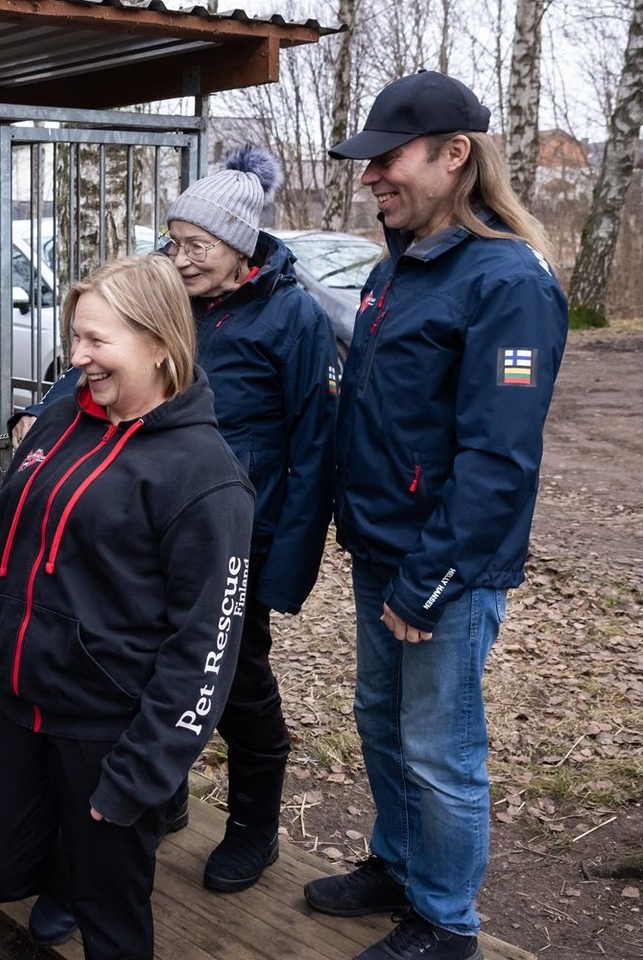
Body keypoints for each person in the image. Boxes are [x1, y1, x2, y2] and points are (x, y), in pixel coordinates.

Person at [13, 146, 337, 896]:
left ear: (241, 246)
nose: (181, 258)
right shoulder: (169, 294)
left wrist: (285, 566)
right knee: (143, 671)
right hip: (145, 529)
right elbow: (102, 362)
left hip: (236, 538)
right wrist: (47, 409)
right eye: (175, 239)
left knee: (235, 682)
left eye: (199, 245)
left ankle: (254, 826)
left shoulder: (292, 316)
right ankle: (162, 796)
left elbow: (315, 451)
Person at [302, 71, 568, 960]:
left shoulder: (505, 282)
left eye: (388, 159)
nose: (371, 176)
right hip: (385, 549)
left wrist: (431, 581)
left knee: (440, 750)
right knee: (381, 722)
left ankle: (445, 922)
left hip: (443, 570)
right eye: (368, 162)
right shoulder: (400, 266)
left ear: (455, 156)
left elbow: (498, 462)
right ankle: (397, 865)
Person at [0, 254, 255, 959]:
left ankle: (98, 864)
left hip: (108, 729)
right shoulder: (59, 424)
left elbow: (205, 650)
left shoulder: (206, 480)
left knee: (112, 918)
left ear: (159, 344)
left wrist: (143, 772)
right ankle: (69, 869)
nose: (76, 356)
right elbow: (1, 549)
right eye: (75, 336)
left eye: (95, 340)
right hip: (20, 703)